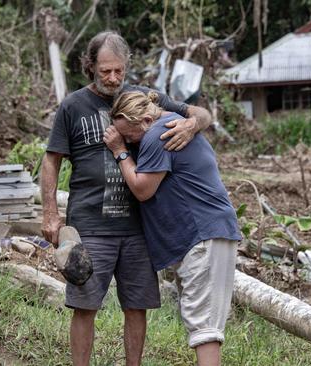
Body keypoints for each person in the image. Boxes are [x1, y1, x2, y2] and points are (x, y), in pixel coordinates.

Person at [40, 31, 212, 366]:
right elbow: (51, 160)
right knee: (85, 304)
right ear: (90, 66)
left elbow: (201, 114)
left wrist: (191, 126)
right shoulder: (73, 106)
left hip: (139, 226)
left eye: (118, 70)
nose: (113, 78)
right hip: (90, 224)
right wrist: (50, 213)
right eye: (105, 71)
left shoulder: (144, 99)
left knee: (137, 305)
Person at [103, 91, 241, 366]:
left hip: (202, 235)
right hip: (209, 233)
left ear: (144, 120)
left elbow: (142, 189)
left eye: (129, 136)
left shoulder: (157, 134)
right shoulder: (174, 122)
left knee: (204, 327)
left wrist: (119, 151)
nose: (129, 143)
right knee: (203, 321)